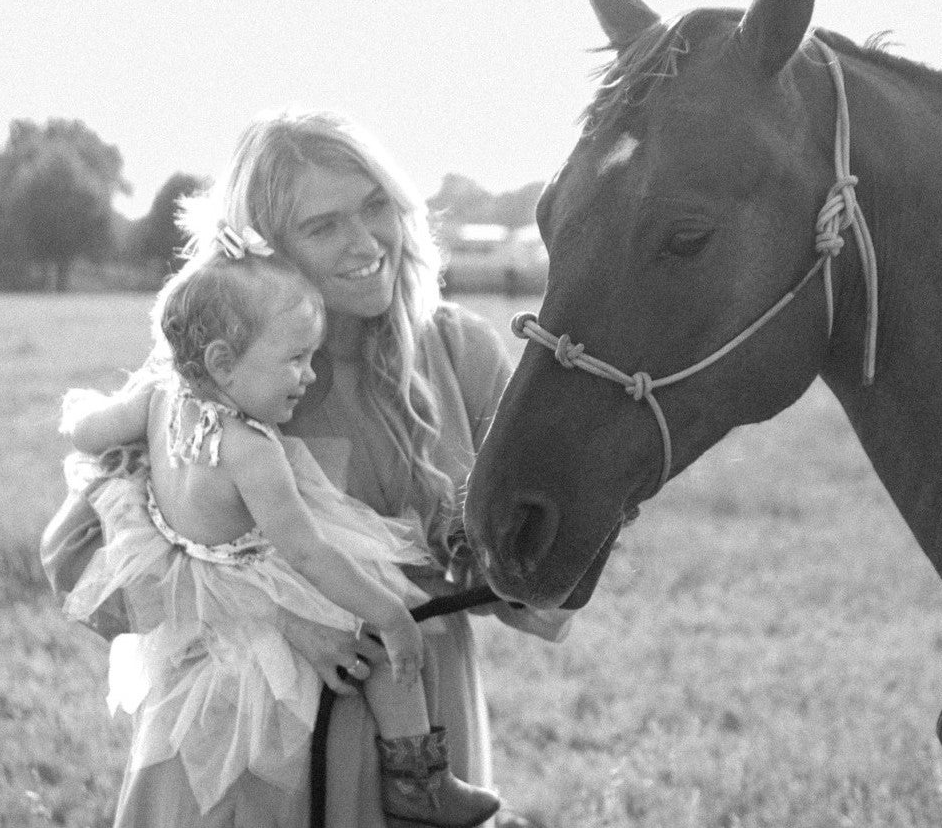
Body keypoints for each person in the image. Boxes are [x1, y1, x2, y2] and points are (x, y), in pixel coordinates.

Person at [42, 107, 572, 827]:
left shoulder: (462, 354)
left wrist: (497, 562)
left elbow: (548, 599)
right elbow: (73, 560)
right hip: (249, 756)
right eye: (323, 226)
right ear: (264, 251)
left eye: (374, 205)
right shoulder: (220, 379)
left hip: (421, 736)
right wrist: (282, 614)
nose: (366, 242)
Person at [61, 233, 502, 828]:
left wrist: (82, 423)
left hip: (194, 568)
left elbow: (89, 432)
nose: (309, 376)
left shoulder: (157, 398)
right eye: (295, 360)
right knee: (381, 638)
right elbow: (308, 551)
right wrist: (390, 613)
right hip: (261, 572)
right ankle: (418, 779)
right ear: (221, 362)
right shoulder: (250, 450)